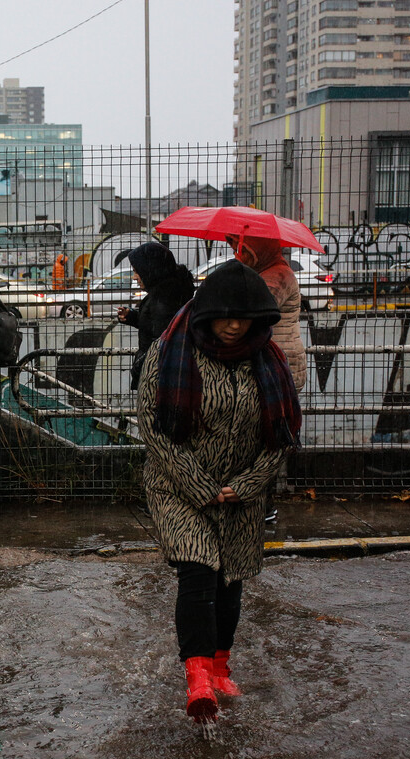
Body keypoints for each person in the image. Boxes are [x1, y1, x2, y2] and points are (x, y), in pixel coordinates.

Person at [136, 258, 301, 724]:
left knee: (231, 578)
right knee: (199, 572)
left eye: (243, 317)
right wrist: (200, 486)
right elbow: (154, 427)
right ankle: (197, 678)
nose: (233, 326)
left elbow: (283, 435)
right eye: (225, 315)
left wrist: (245, 486)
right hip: (179, 486)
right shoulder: (172, 353)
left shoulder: (270, 361)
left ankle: (221, 665)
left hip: (240, 492)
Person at [227, 234, 308, 524]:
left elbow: (257, 310)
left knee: (266, 436)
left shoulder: (277, 276)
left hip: (277, 366)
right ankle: (257, 502)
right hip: (268, 362)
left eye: (242, 249)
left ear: (256, 250)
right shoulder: (267, 272)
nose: (238, 254)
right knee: (258, 433)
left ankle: (264, 506)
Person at [115, 241, 195, 390]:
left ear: (150, 269)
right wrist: (133, 317)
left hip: (157, 380)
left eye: (136, 271)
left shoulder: (163, 300)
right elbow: (159, 326)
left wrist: (140, 367)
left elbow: (161, 343)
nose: (134, 277)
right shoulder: (168, 293)